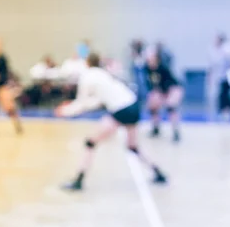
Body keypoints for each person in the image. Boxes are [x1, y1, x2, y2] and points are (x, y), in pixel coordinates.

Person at [56, 52, 168, 191]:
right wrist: (73, 108)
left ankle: (79, 180)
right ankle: (158, 172)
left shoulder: (87, 76)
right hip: (133, 105)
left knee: (91, 142)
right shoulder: (103, 74)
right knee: (133, 146)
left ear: (87, 63)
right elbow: (98, 101)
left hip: (120, 110)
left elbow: (82, 103)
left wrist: (66, 111)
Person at [145, 51, 184, 142]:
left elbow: (169, 84)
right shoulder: (148, 69)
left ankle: (176, 132)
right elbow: (151, 83)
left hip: (173, 89)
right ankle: (156, 128)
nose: (149, 59)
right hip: (161, 90)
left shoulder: (163, 68)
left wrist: (163, 97)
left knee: (171, 107)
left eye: (151, 57)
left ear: (156, 59)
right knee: (152, 107)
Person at [208, 33, 230, 121]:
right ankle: (223, 113)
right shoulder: (217, 50)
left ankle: (227, 113)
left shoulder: (227, 50)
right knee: (222, 96)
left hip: (227, 77)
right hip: (221, 77)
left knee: (226, 96)